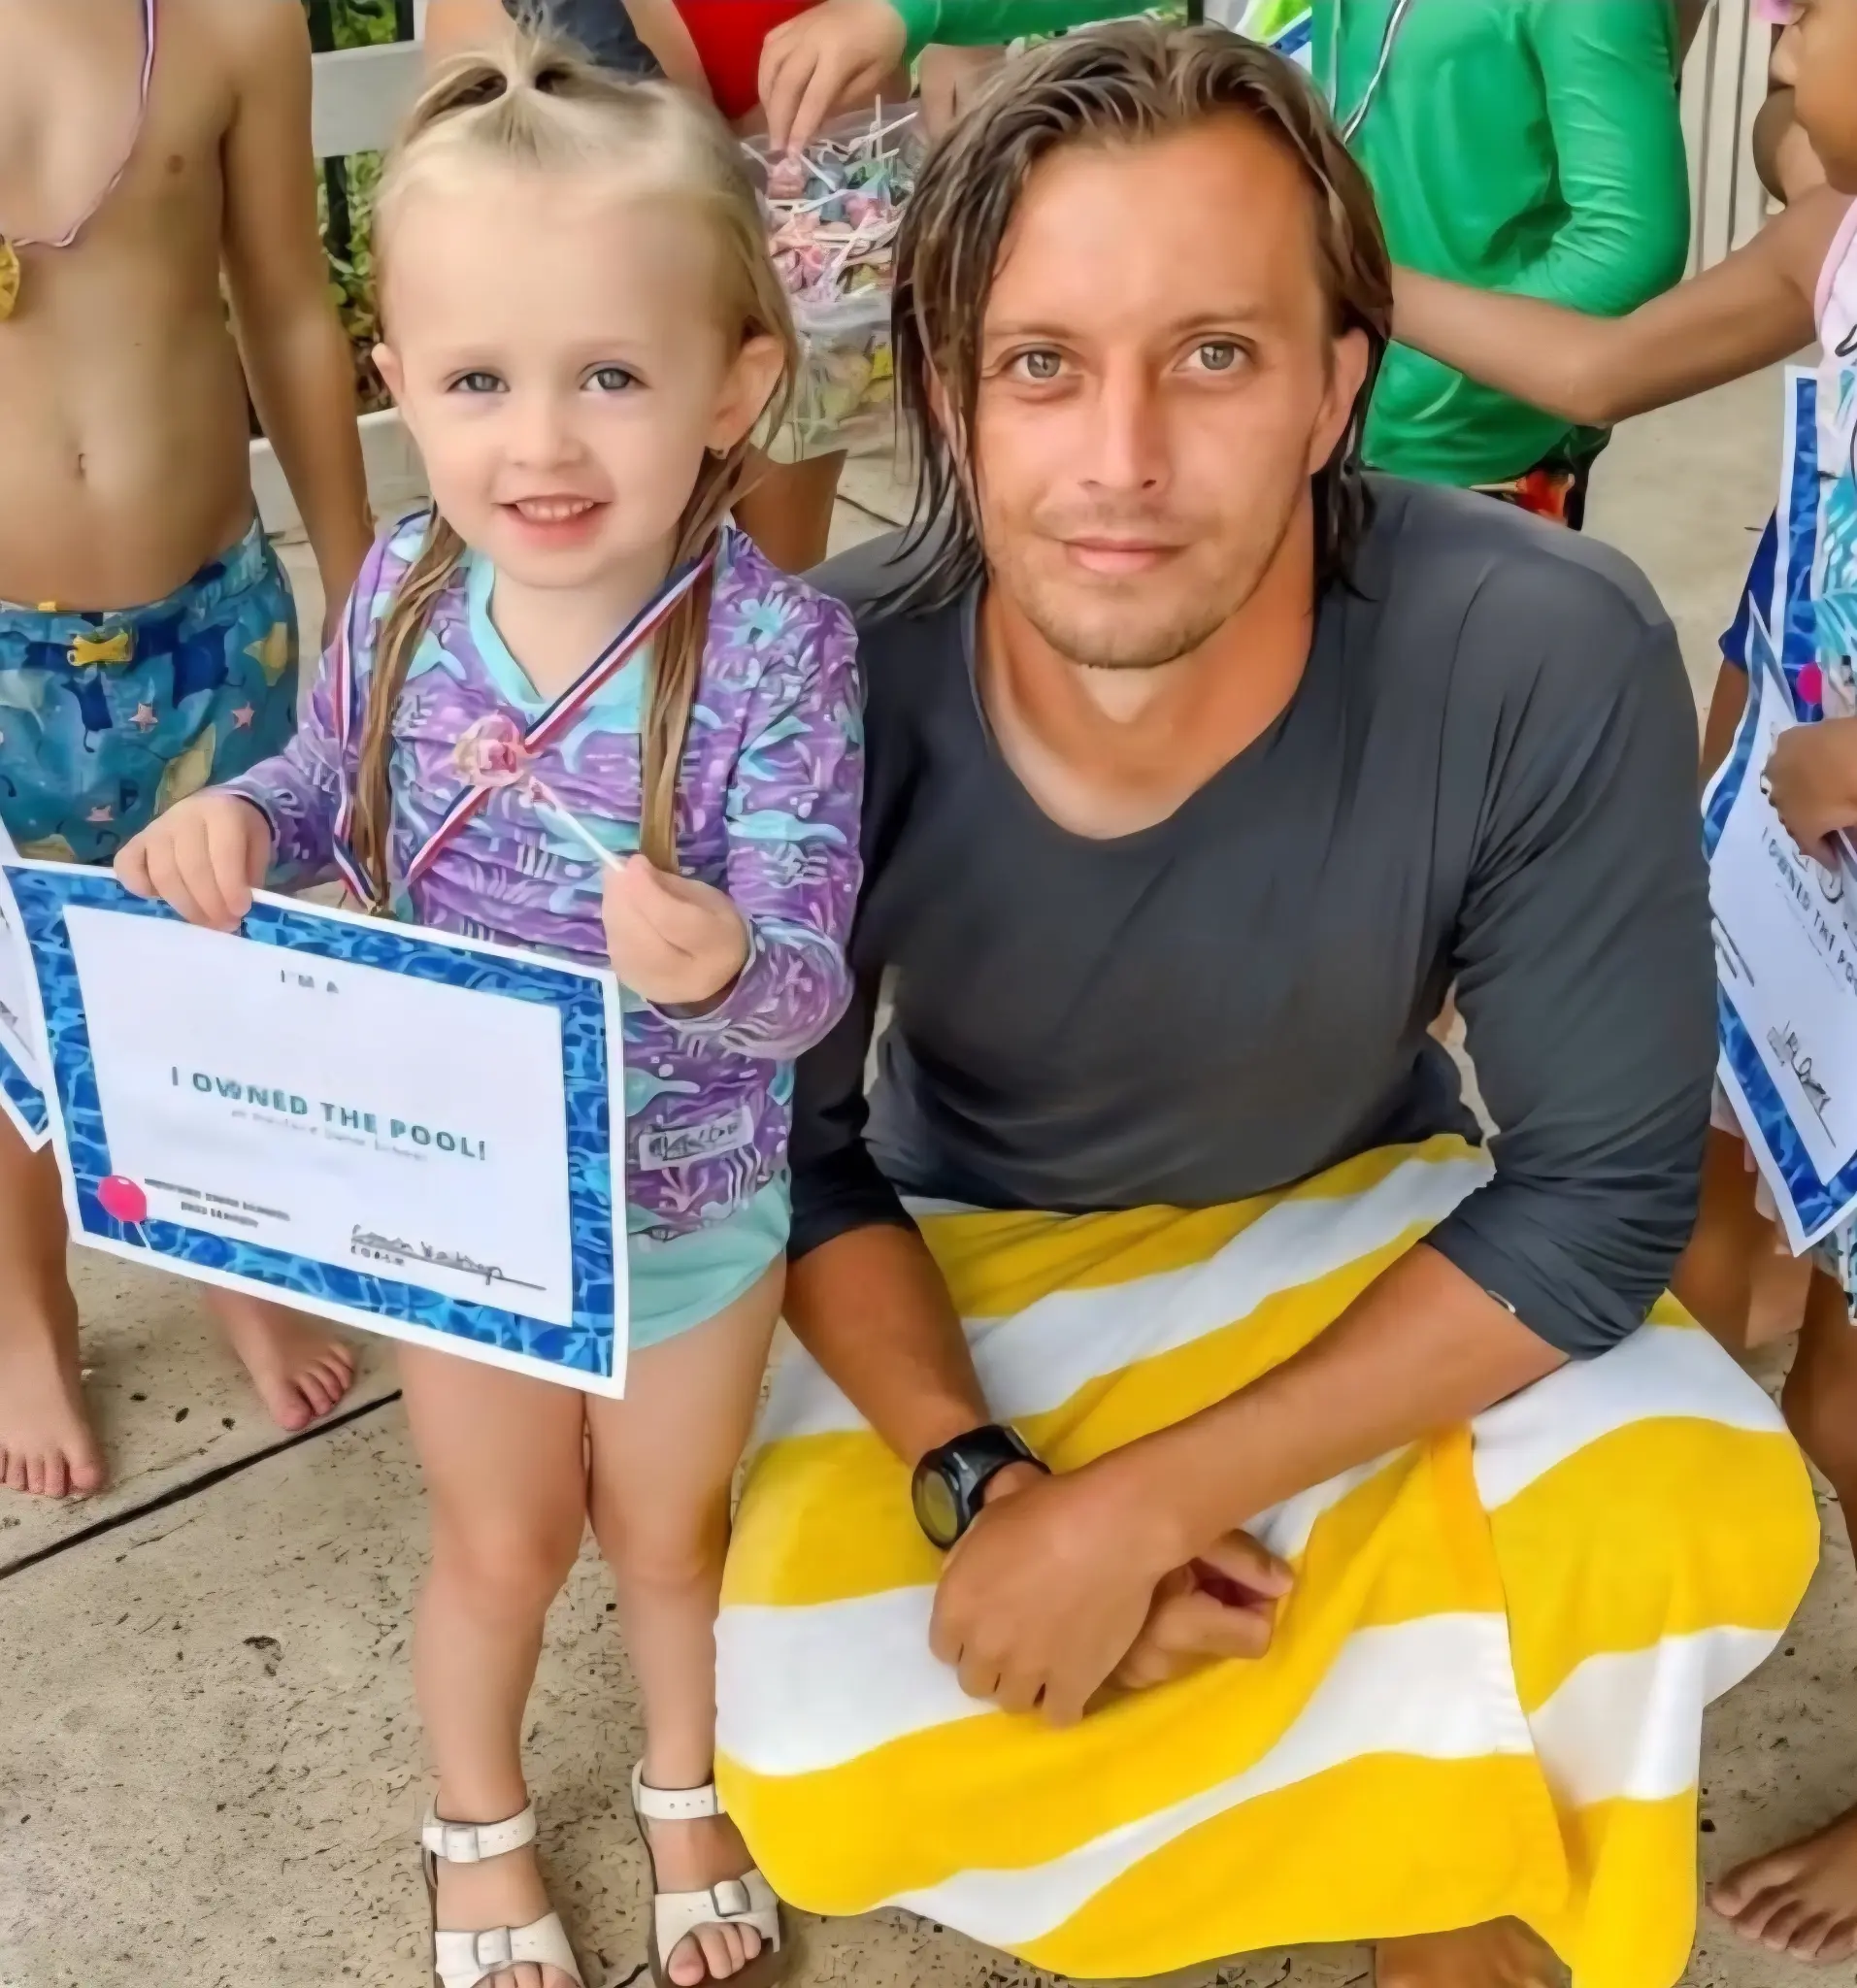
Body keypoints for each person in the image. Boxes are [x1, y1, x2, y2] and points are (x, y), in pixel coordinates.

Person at [710, 20, 1818, 1988]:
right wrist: (990, 1489)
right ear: (951, 402)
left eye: (1211, 355)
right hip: (970, 1266)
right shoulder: (827, 676)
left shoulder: (1534, 645)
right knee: (810, 1725)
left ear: (1336, 386)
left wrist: (1136, 1512)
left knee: (1690, 1499)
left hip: (1360, 1218)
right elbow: (787, 1163)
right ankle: (1397, 1778)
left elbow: (1591, 1197)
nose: (1119, 461)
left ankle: (1436, 1913)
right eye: (1041, 362)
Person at [117, 36, 861, 1988]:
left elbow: (807, 973)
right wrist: (228, 825)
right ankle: (477, 1815)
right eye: (477, 380)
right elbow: (311, 781)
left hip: (688, 1200)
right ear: (398, 390)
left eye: (609, 373)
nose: (541, 442)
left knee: (670, 1532)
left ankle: (684, 1778)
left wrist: (720, 961)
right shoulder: (400, 596)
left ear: (734, 386)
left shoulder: (779, 652)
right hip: (458, 1194)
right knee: (499, 1538)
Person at [1367, 0, 1857, 1961]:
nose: (1768, 27)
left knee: (1841, 1393)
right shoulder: (1828, 245)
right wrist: (1349, 255)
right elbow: (1582, 357)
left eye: (1814, 6)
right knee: (1690, 1227)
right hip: (1779, 881)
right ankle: (1604, 1614)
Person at [0, 0, 374, 1499]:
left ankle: (222, 1241)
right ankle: (28, 1308)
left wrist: (360, 573)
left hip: (209, 624)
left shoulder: (231, 17)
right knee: (0, 1011)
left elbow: (286, 298)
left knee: (212, 970)